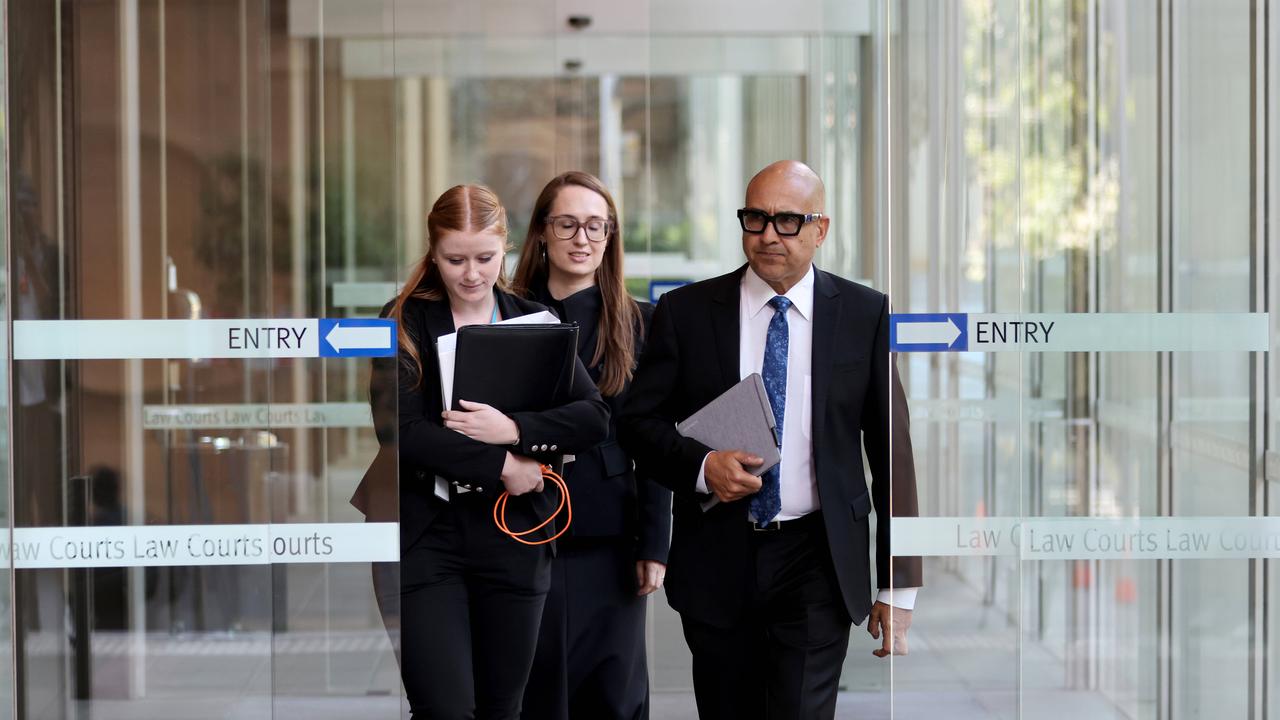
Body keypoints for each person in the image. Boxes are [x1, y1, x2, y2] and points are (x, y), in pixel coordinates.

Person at [617, 161, 923, 720]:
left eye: (787, 221)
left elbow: (890, 455)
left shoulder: (862, 313)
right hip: (717, 554)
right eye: (755, 218)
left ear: (820, 229)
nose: (768, 236)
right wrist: (703, 465)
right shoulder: (686, 313)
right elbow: (638, 425)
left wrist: (897, 587)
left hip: (818, 557)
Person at [365, 183, 610, 720]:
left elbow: (593, 419)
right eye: (455, 259)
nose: (471, 274)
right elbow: (399, 430)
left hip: (513, 537)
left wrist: (513, 431)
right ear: (433, 254)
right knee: (445, 708)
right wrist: (503, 465)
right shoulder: (403, 319)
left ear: (507, 250)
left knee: (503, 707)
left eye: (485, 257)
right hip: (428, 536)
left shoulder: (535, 322)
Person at [511, 171, 672, 720]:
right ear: (541, 233)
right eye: (568, 224)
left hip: (609, 531)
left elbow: (653, 441)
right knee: (531, 691)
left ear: (610, 238)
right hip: (517, 523)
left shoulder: (640, 324)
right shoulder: (504, 315)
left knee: (612, 693)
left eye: (596, 226)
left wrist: (655, 542)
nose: (582, 238)